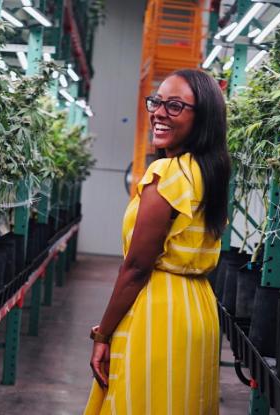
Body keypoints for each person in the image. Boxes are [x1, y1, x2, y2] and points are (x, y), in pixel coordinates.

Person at [83, 69, 231, 415]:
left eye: (175, 106)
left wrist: (103, 335)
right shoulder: (208, 172)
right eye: (157, 102)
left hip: (158, 312)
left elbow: (135, 268)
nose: (159, 113)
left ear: (203, 117)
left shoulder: (166, 176)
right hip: (198, 310)